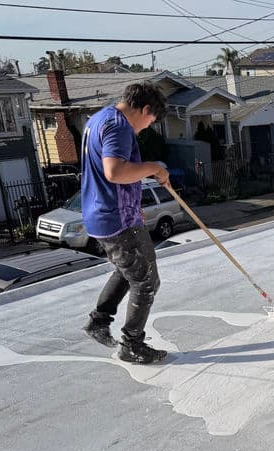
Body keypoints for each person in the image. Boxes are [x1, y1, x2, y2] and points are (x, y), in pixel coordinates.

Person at [80, 82, 171, 364]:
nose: (146, 128)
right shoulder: (119, 127)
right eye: (150, 121)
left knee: (127, 270)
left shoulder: (99, 118)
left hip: (105, 214)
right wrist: (155, 167)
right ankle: (132, 344)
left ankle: (98, 321)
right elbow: (115, 172)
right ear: (145, 109)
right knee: (146, 282)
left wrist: (132, 205)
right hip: (116, 218)